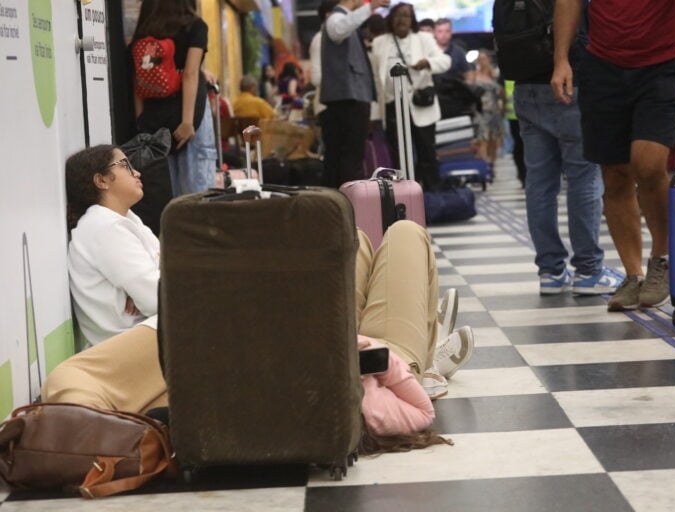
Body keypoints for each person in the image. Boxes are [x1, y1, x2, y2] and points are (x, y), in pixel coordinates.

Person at [49, 169, 475, 450]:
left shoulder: (167, 339)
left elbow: (69, 386)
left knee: (360, 242)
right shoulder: (169, 334)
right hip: (366, 356)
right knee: (403, 233)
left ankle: (427, 337)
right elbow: (418, 411)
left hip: (313, 334)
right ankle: (428, 346)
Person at [551, 0, 675, 310]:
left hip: (663, 61)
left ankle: (661, 259)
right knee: (614, 172)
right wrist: (561, 59)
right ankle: (632, 273)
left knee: (648, 164)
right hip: (603, 63)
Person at [493, 0, 620, 297]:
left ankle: (550, 271)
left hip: (524, 89)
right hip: (569, 83)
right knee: (584, 178)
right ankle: (588, 269)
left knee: (539, 183)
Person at [65, 145, 157, 346]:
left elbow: (166, 265)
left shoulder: (123, 219)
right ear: (101, 180)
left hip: (145, 332)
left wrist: (138, 293)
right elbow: (158, 298)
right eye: (125, 165)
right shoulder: (104, 227)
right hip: (129, 346)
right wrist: (144, 294)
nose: (137, 172)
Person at [130, 0, 216, 197]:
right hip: (191, 119)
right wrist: (187, 121)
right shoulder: (195, 26)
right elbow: (190, 74)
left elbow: (138, 79)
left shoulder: (145, 30)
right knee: (198, 195)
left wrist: (141, 119)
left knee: (171, 195)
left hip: (156, 122)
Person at [370, 2, 450, 191]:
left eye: (406, 16)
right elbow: (375, 79)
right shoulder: (379, 42)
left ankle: (432, 194)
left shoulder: (423, 39)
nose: (401, 19)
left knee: (426, 151)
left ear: (412, 19)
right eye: (398, 15)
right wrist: (374, 113)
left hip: (420, 105)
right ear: (390, 19)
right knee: (398, 154)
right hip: (392, 105)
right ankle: (404, 193)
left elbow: (445, 61)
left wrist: (428, 62)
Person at [320, 0, 391, 187]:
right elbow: (338, 30)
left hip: (351, 96)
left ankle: (343, 201)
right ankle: (351, 203)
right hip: (348, 98)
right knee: (350, 156)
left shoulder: (344, 20)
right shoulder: (336, 17)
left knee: (346, 155)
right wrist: (370, 8)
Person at [472, 49, 505, 171]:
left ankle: (492, 164)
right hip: (481, 111)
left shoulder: (495, 74)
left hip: (495, 110)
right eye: (479, 59)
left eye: (484, 58)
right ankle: (484, 166)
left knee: (494, 139)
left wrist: (504, 109)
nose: (482, 61)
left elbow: (502, 93)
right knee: (482, 138)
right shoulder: (475, 75)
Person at [432, 18, 472, 82]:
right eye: (440, 31)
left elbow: (468, 74)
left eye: (447, 31)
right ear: (434, 33)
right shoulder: (428, 51)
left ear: (451, 32)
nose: (444, 35)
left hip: (455, 89)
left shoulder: (458, 52)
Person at [504, 80, 526, 187]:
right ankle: (523, 174)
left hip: (513, 115)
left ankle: (523, 175)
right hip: (518, 115)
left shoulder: (507, 73)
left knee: (519, 146)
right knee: (521, 146)